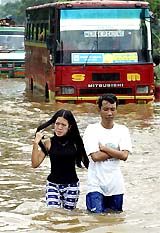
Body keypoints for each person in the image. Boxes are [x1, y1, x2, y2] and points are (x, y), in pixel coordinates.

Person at [83, 93, 132, 213]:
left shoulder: (122, 130)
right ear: (99, 109)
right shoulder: (91, 130)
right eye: (106, 109)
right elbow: (95, 157)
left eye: (112, 109)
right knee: (96, 220)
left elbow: (125, 156)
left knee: (115, 221)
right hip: (95, 185)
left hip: (116, 186)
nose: (109, 113)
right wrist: (117, 152)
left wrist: (105, 148)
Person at [32, 109, 89, 210]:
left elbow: (88, 164)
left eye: (63, 125)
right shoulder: (49, 142)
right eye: (57, 124)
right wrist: (36, 143)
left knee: (68, 216)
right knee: (53, 212)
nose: (59, 127)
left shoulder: (76, 143)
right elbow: (35, 164)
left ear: (69, 126)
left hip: (72, 185)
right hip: (53, 184)